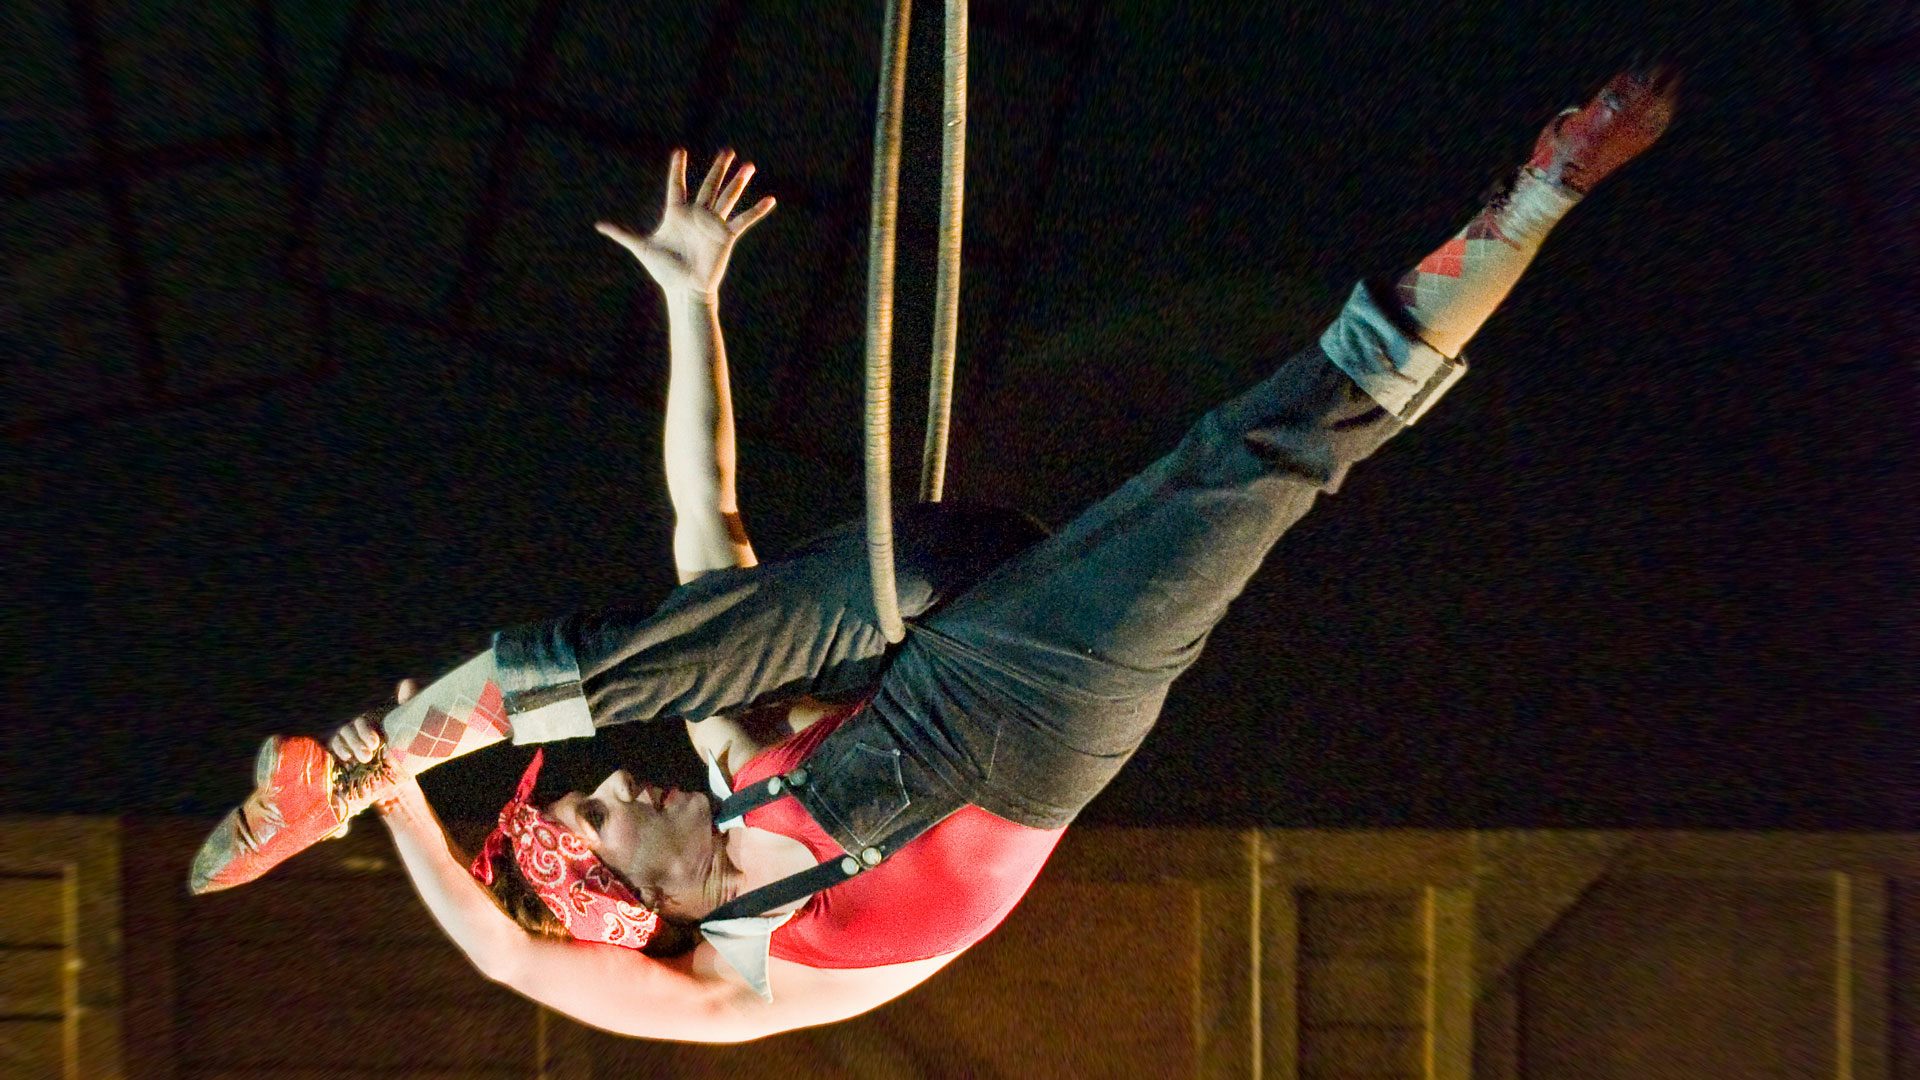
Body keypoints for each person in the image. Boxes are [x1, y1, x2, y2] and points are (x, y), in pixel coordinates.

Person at [191, 65, 1679, 1042]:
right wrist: (400, 821)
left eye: (603, 785)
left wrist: (690, 302)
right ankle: (1542, 190)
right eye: (610, 814)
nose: (634, 781)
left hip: (929, 603)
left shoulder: (735, 762)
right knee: (1266, 456)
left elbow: (705, 517)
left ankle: (374, 742)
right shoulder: (736, 982)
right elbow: (511, 964)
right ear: (625, 901)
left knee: (706, 605)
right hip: (1042, 707)